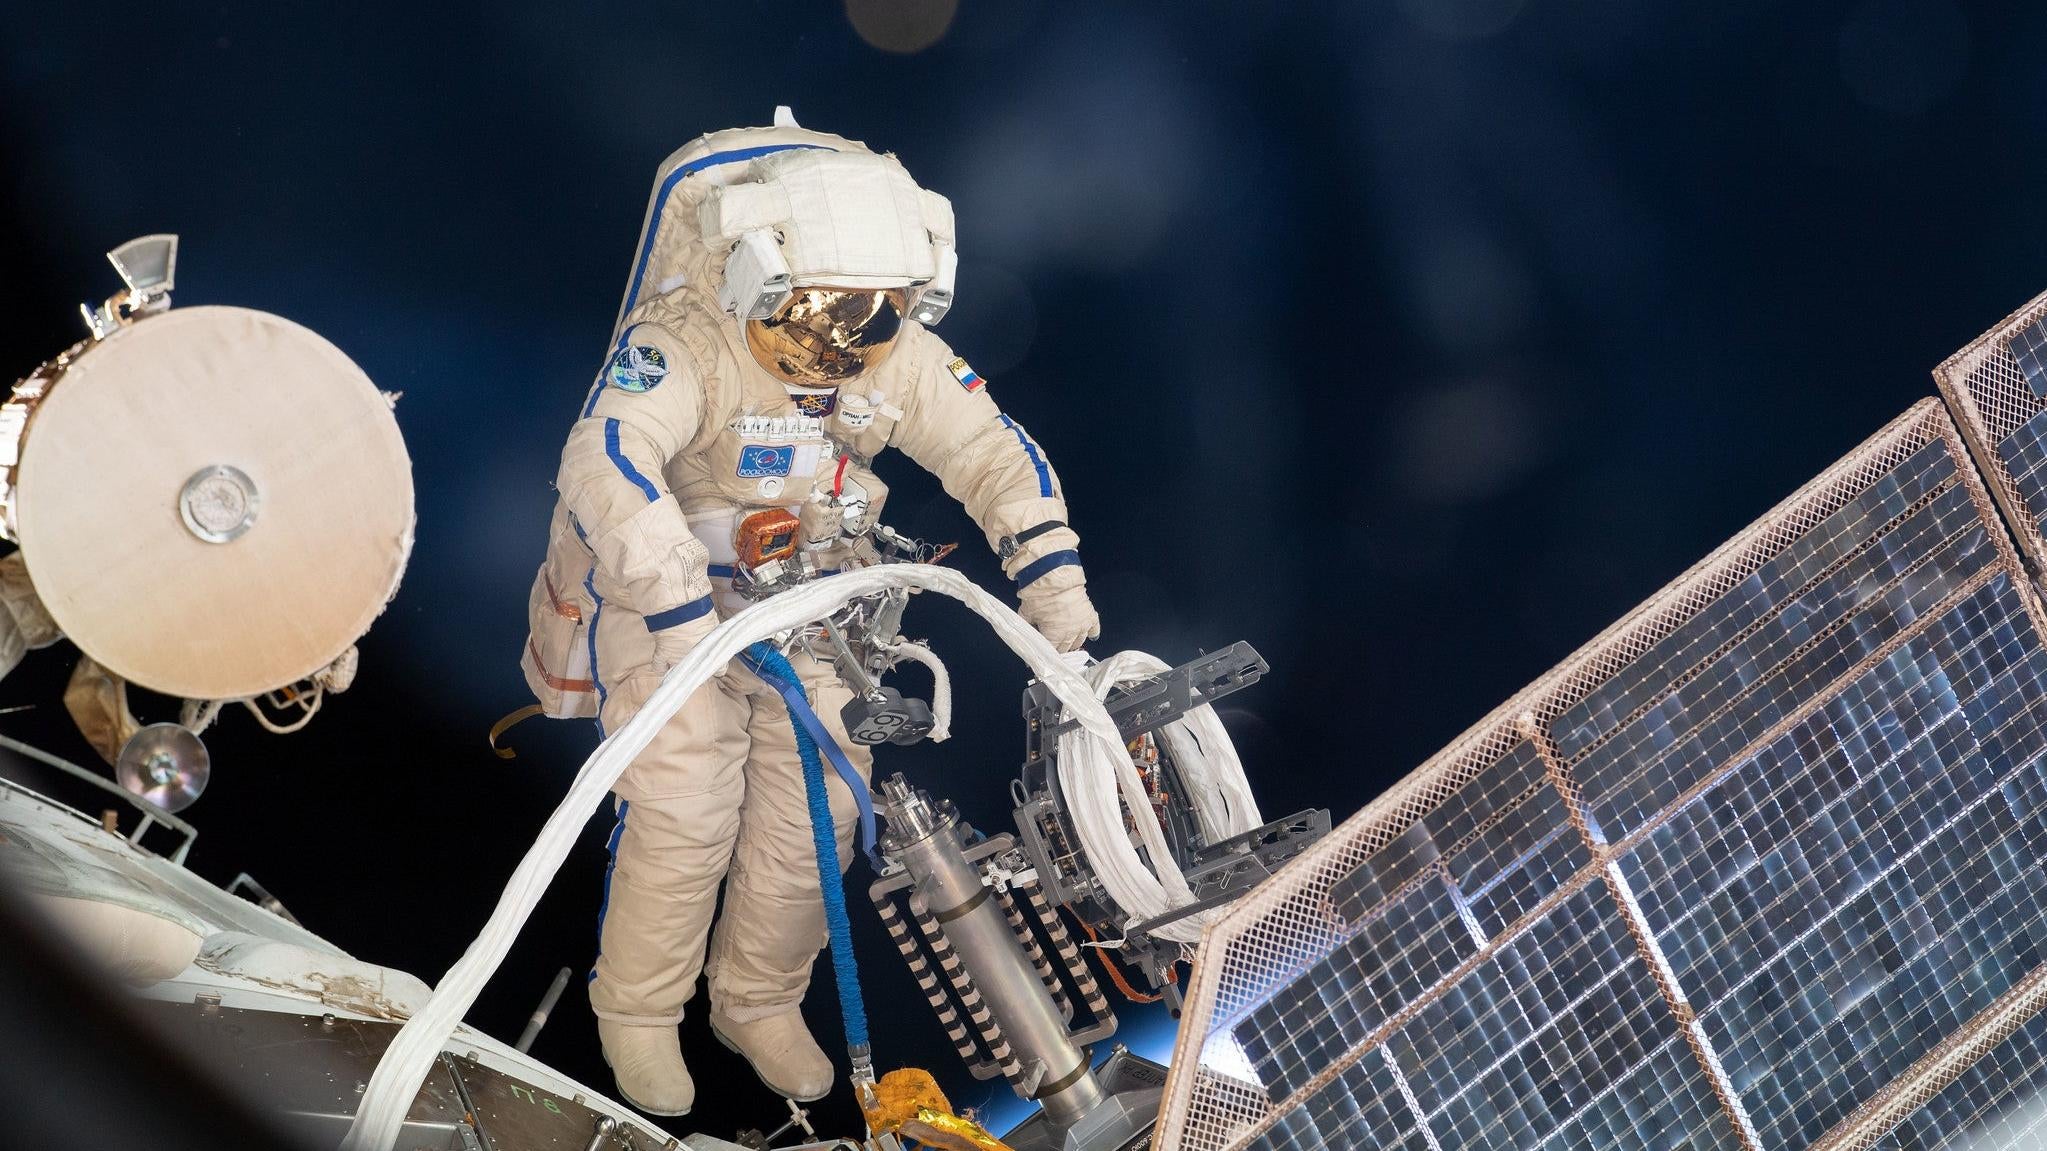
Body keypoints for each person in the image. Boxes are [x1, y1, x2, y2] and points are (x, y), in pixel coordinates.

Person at [520, 109, 1099, 1116]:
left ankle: (757, 1000)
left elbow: (992, 451)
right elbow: (606, 456)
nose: (839, 342)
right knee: (688, 801)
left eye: (870, 316)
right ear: (756, 277)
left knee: (821, 814)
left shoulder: (894, 355)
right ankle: (641, 1009)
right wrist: (677, 606)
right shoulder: (683, 341)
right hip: (673, 604)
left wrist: (1052, 583)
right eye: (816, 313)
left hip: (812, 602)